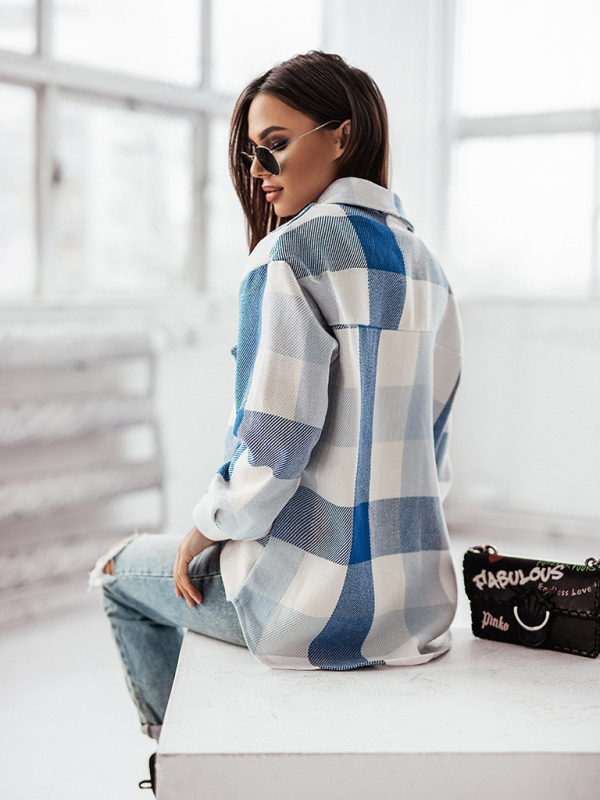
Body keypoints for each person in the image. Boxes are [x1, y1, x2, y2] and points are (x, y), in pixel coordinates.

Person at [89, 50, 463, 754]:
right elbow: (435, 449)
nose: (258, 170)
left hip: (309, 611)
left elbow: (274, 443)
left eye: (275, 144)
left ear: (342, 136)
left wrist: (207, 525)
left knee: (115, 570)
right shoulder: (426, 265)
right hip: (418, 612)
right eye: (250, 153)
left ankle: (177, 775)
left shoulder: (290, 253)